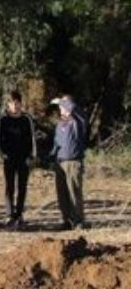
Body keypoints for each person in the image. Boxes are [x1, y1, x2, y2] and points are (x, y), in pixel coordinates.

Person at [0, 91, 36, 229]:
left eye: (17, 103)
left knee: (22, 187)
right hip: (9, 158)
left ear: (20, 103)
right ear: (8, 104)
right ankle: (9, 215)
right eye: (12, 103)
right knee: (9, 187)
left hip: (24, 159)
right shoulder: (3, 119)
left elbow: (32, 139)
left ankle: (19, 214)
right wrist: (2, 154)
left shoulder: (27, 119)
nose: (15, 105)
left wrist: (31, 156)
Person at [52, 97, 88, 230]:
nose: (62, 108)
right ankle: (66, 220)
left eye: (64, 105)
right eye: (61, 106)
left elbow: (75, 108)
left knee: (74, 192)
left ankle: (78, 220)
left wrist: (61, 100)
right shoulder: (60, 124)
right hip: (60, 162)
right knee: (62, 193)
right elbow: (57, 143)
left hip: (73, 162)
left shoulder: (78, 121)